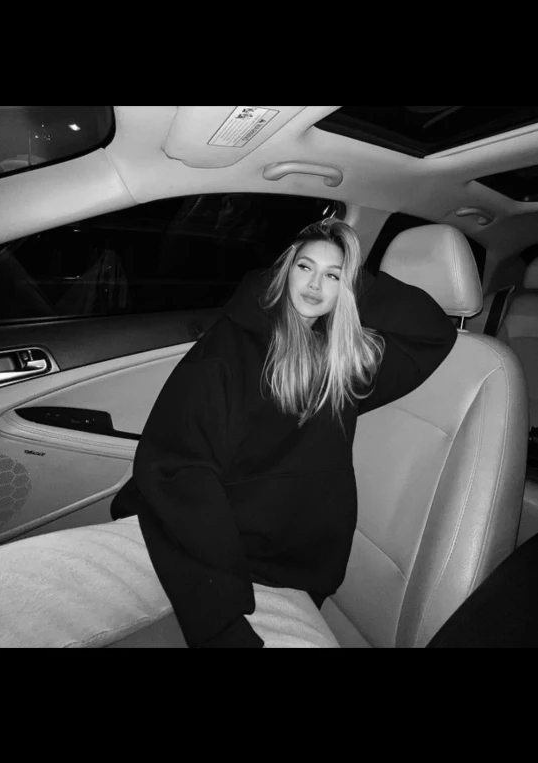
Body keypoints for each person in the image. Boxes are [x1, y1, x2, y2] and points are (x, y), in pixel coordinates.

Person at [110, 217, 458, 647]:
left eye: (331, 276)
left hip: (288, 568)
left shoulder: (343, 362)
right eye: (305, 267)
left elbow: (433, 333)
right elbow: (181, 467)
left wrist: (354, 285)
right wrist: (218, 607)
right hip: (196, 544)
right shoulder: (231, 345)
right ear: (285, 270)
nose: (314, 284)